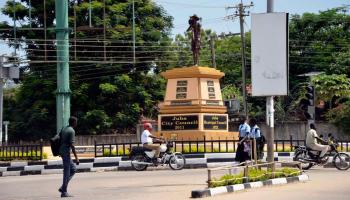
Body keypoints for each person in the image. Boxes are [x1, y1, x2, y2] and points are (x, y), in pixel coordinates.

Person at [59, 116, 79, 198]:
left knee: (73, 169)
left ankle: (63, 187)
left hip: (62, 151)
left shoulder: (64, 128)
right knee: (67, 172)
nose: (76, 123)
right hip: (66, 153)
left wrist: (59, 151)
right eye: (76, 122)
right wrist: (77, 158)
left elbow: (59, 139)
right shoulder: (72, 131)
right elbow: (72, 145)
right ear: (74, 122)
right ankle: (64, 192)